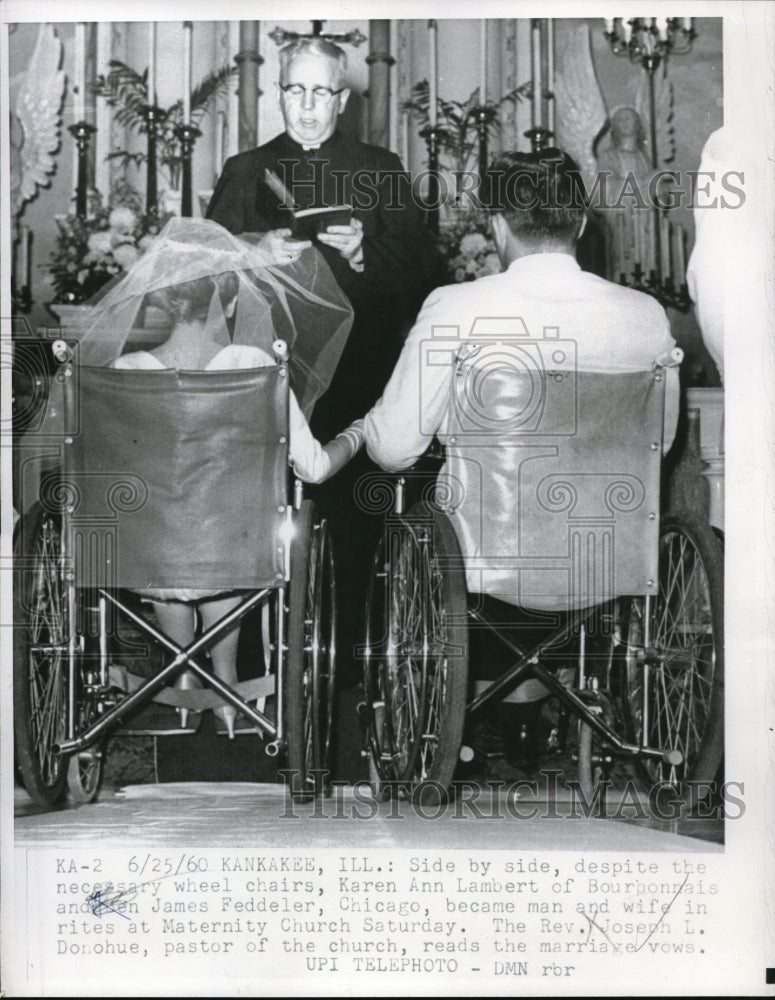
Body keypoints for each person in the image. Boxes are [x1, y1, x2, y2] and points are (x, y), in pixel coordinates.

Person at [364, 148, 680, 769]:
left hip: (485, 571)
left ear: (498, 225)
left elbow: (395, 447)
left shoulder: (457, 309)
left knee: (422, 502)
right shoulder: (646, 317)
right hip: (607, 561)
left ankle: (469, 713)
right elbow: (660, 444)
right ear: (583, 224)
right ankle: (539, 705)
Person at [207, 35, 438, 688]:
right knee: (259, 518)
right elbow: (206, 277)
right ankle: (256, 671)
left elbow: (422, 268)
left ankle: (357, 670)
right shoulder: (245, 170)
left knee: (360, 523)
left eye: (320, 92)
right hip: (267, 375)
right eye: (293, 91)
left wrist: (365, 253)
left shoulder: (380, 166)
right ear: (278, 93)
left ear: (343, 98)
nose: (306, 107)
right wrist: (253, 256)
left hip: (359, 377)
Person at [77, 217, 363, 738]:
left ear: (161, 302)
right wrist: (358, 437)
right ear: (231, 302)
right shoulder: (253, 364)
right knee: (231, 521)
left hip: (144, 554)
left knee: (171, 528)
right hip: (237, 551)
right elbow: (314, 467)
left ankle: (184, 678)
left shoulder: (124, 371)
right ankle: (228, 683)